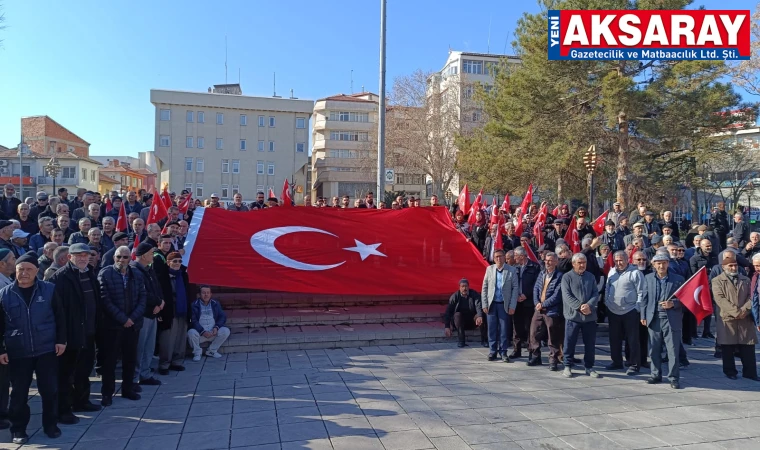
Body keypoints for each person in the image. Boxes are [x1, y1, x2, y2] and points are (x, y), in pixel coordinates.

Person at [0, 252, 66, 444]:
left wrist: (61, 340)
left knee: (49, 390)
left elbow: (60, 317)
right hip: (18, 352)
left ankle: (51, 425)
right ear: (15, 272)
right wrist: (1, 349)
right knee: (19, 393)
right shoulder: (4, 295)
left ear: (37, 271)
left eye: (29, 269)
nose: (25, 273)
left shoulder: (49, 290)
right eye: (21, 269)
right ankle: (18, 430)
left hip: (46, 350)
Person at [49, 243, 103, 423]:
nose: (82, 258)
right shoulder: (60, 278)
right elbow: (57, 311)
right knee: (65, 375)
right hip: (70, 336)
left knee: (84, 371)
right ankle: (63, 410)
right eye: (78, 255)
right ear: (69, 257)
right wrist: (61, 338)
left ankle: (81, 401)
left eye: (85, 255)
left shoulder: (89, 273)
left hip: (89, 332)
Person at [97, 246, 147, 406]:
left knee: (130, 359)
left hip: (132, 325)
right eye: (119, 257)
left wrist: (131, 318)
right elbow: (104, 299)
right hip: (112, 326)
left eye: (125, 257)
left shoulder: (137, 274)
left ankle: (128, 389)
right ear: (114, 258)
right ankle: (107, 393)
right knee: (109, 361)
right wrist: (122, 318)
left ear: (130, 259)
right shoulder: (105, 273)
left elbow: (142, 297)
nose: (122, 260)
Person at [712, 251, 759, 380]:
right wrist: (736, 312)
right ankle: (730, 371)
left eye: (735, 266)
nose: (733, 268)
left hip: (745, 318)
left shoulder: (746, 279)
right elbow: (720, 299)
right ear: (723, 267)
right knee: (728, 346)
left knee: (748, 346)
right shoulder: (717, 281)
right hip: (727, 318)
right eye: (730, 266)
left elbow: (752, 296)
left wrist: (744, 310)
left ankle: (750, 372)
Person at [641, 253, 684, 389]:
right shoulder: (648, 278)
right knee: (654, 348)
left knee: (672, 350)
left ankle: (673, 377)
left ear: (668, 263)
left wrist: (674, 304)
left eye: (664, 262)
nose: (661, 266)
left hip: (671, 318)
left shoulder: (678, 279)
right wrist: (643, 315)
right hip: (653, 318)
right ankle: (655, 374)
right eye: (658, 263)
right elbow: (644, 299)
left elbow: (685, 300)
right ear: (653, 264)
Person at [561, 253, 601, 378]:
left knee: (590, 344)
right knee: (570, 342)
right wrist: (579, 307)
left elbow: (595, 293)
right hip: (573, 316)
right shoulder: (567, 277)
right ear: (573, 264)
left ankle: (589, 366)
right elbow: (567, 296)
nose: (582, 265)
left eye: (584, 262)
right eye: (579, 263)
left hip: (589, 316)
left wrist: (589, 305)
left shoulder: (591, 276)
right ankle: (567, 365)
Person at [130, 242, 164, 386]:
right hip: (143, 314)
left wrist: (161, 303)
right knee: (139, 347)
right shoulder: (135, 270)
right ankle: (134, 377)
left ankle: (145, 374)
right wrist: (157, 301)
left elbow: (157, 287)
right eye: (151, 253)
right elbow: (142, 293)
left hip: (153, 313)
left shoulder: (148, 269)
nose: (153, 256)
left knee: (149, 346)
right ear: (143, 255)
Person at [605, 251, 645, 375]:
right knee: (614, 338)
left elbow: (641, 292)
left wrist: (637, 308)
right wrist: (607, 302)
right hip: (613, 310)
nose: (618, 263)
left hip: (630, 311)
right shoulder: (611, 272)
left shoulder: (635, 273)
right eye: (616, 261)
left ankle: (634, 364)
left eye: (621, 260)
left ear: (627, 260)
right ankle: (616, 362)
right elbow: (607, 288)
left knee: (632, 339)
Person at [528, 252, 564, 370]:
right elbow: (536, 289)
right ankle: (535, 356)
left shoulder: (560, 276)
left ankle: (553, 359)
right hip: (538, 309)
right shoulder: (542, 273)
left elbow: (557, 295)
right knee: (534, 332)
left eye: (550, 260)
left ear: (556, 262)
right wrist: (537, 303)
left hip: (551, 311)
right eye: (546, 260)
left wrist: (544, 304)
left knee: (552, 336)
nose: (547, 263)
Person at [481, 249, 518, 362]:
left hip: (504, 305)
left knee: (504, 330)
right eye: (496, 256)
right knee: (492, 329)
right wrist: (484, 304)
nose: (498, 258)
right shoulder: (489, 269)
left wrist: (512, 306)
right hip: (492, 304)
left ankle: (503, 352)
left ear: (504, 258)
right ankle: (492, 351)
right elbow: (484, 287)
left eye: (500, 256)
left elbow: (515, 288)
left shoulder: (511, 270)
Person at [157, 252, 191, 375]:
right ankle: (164, 364)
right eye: (174, 261)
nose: (177, 264)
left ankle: (177, 362)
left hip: (182, 310)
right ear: (168, 262)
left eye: (179, 261)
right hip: (169, 311)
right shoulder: (162, 276)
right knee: (167, 339)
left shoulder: (184, 275)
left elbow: (189, 294)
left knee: (180, 338)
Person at [511, 247, 540, 359]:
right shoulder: (514, 268)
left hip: (528, 302)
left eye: (516, 256)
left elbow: (536, 285)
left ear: (522, 256)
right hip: (517, 302)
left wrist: (526, 295)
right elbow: (513, 283)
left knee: (529, 328)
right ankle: (516, 350)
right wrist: (516, 296)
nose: (514, 258)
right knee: (516, 327)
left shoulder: (535, 267)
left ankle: (530, 351)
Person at [188, 286, 231, 359]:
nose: (206, 295)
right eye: (204, 293)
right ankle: (197, 353)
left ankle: (212, 351)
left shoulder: (215, 303)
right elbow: (193, 320)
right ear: (199, 294)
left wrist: (216, 327)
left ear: (211, 294)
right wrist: (202, 331)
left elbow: (222, 317)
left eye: (208, 293)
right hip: (200, 334)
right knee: (191, 332)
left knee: (226, 331)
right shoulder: (193, 305)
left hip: (213, 333)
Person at [443, 279, 485, 348]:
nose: (464, 288)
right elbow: (448, 311)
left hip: (473, 321)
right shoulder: (455, 296)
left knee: (482, 315)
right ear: (459, 287)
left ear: (468, 287)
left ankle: (484, 340)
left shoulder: (474, 294)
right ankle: (461, 341)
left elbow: (479, 305)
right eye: (462, 286)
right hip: (460, 323)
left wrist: (479, 316)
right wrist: (447, 326)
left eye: (466, 286)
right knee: (457, 315)